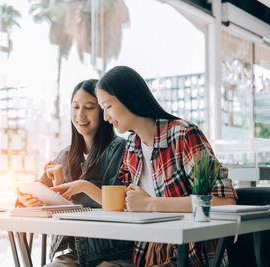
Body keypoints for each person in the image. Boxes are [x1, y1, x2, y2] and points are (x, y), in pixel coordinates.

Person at [93, 66, 238, 267]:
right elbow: (130, 204)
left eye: (107, 107)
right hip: (147, 253)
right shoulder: (132, 146)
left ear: (129, 97)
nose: (105, 118)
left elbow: (223, 201)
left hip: (190, 255)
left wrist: (151, 204)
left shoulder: (183, 134)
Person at [17, 79, 134, 267]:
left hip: (112, 254)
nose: (80, 115)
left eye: (89, 107)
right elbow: (41, 193)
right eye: (75, 107)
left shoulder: (119, 149)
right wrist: (29, 200)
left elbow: (120, 206)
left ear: (104, 111)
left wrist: (80, 190)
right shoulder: (64, 155)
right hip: (73, 255)